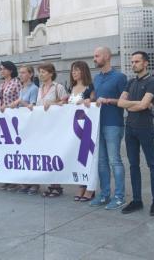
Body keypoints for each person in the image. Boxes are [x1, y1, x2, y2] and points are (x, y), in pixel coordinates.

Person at [118, 51, 154, 216]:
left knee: (152, 164)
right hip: (130, 128)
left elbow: (143, 106)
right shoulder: (130, 83)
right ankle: (137, 200)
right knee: (133, 165)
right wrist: (139, 103)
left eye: (137, 61)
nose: (133, 64)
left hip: (145, 128)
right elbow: (121, 103)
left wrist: (138, 104)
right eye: (132, 61)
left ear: (145, 63)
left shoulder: (152, 82)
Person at [86, 47, 128, 210]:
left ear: (107, 57)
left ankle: (119, 197)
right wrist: (89, 100)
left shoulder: (120, 77)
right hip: (98, 124)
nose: (94, 58)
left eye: (97, 56)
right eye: (94, 55)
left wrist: (108, 100)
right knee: (101, 161)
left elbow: (124, 102)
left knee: (114, 160)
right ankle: (104, 195)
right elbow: (93, 96)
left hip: (113, 124)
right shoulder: (96, 79)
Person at [37, 62, 69, 198]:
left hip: (55, 126)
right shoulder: (40, 88)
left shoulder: (58, 87)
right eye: (40, 71)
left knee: (55, 155)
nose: (41, 74)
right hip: (42, 127)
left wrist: (53, 104)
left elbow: (66, 103)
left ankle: (57, 185)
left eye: (43, 72)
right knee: (46, 156)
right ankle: (51, 184)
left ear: (51, 73)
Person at [0, 61, 23, 191]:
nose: (2, 71)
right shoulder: (2, 84)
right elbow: (0, 101)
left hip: (13, 117)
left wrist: (10, 106)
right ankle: (8, 178)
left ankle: (16, 180)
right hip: (2, 118)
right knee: (4, 149)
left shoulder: (16, 82)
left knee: (14, 149)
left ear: (10, 70)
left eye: (4, 69)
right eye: (1, 69)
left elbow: (20, 98)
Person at [68, 60, 96, 202]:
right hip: (72, 128)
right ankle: (81, 185)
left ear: (83, 71)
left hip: (85, 127)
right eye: (73, 70)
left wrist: (88, 101)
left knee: (86, 156)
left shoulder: (89, 87)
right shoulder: (71, 87)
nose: (74, 73)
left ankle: (89, 188)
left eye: (77, 70)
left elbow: (93, 102)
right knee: (77, 158)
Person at [13, 65, 40, 195]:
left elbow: (32, 106)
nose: (21, 75)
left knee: (32, 152)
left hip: (31, 124)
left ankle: (35, 183)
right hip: (23, 125)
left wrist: (20, 101)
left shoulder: (34, 88)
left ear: (30, 74)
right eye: (20, 73)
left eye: (23, 73)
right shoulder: (22, 89)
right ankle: (26, 181)